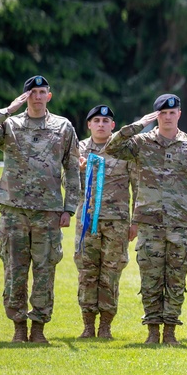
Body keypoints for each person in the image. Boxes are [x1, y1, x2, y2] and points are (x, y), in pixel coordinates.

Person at [0, 75, 81, 344]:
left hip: (48, 212)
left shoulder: (63, 127)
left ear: (49, 96)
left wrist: (70, 207)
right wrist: (7, 110)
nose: (37, 97)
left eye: (42, 92)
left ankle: (39, 328)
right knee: (14, 270)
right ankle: (19, 327)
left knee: (45, 271)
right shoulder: (10, 125)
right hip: (14, 210)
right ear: (24, 97)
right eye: (32, 92)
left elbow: (72, 168)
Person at [105, 94, 187, 346]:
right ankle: (152, 330)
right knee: (150, 278)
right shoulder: (141, 142)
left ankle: (171, 330)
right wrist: (139, 124)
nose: (168, 116)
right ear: (156, 116)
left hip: (180, 223)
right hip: (149, 223)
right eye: (162, 113)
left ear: (179, 114)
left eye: (172, 112)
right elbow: (112, 146)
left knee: (176, 278)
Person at [75, 104, 137, 340]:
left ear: (113, 126)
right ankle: (88, 325)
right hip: (87, 221)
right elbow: (67, 182)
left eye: (105, 121)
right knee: (87, 273)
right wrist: (78, 171)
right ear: (89, 124)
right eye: (96, 120)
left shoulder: (123, 150)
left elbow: (137, 185)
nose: (101, 124)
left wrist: (135, 221)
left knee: (111, 273)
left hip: (117, 222)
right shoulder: (79, 149)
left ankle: (106, 326)